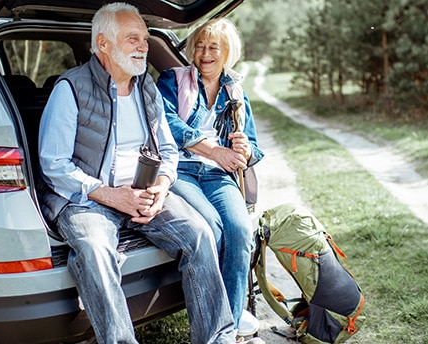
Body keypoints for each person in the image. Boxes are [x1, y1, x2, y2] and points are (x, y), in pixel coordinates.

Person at [37, 4, 239, 344]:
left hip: (145, 193)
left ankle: (217, 338)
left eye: (145, 39)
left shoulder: (147, 89)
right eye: (133, 39)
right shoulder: (69, 89)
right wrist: (111, 195)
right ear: (103, 43)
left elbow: (168, 150)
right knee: (95, 250)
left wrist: (162, 186)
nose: (143, 46)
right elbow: (54, 166)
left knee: (200, 234)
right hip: (88, 199)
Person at [156, 18, 265, 340]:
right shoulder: (172, 79)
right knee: (213, 229)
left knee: (240, 230)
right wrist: (212, 149)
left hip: (218, 175)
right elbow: (166, 122)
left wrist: (245, 152)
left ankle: (227, 327)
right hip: (183, 170)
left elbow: (255, 147)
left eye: (213, 47)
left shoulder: (235, 91)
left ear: (227, 52)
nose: (205, 54)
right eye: (200, 47)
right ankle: (214, 320)